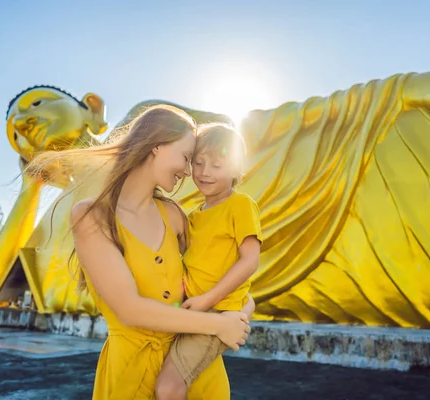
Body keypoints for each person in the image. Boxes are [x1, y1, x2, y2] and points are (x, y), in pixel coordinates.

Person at [28, 105, 252, 399]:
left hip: (193, 373)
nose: (188, 171)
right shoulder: (92, 216)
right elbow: (129, 309)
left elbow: (223, 276)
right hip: (130, 377)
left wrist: (242, 314)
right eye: (186, 158)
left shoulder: (174, 216)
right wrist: (219, 324)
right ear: (156, 146)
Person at [155, 123, 262, 399]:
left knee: (168, 387)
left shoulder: (240, 205)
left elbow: (250, 261)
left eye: (217, 165)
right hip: (192, 311)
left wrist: (208, 299)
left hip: (217, 313)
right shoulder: (193, 216)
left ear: (237, 169)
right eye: (199, 163)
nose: (204, 172)